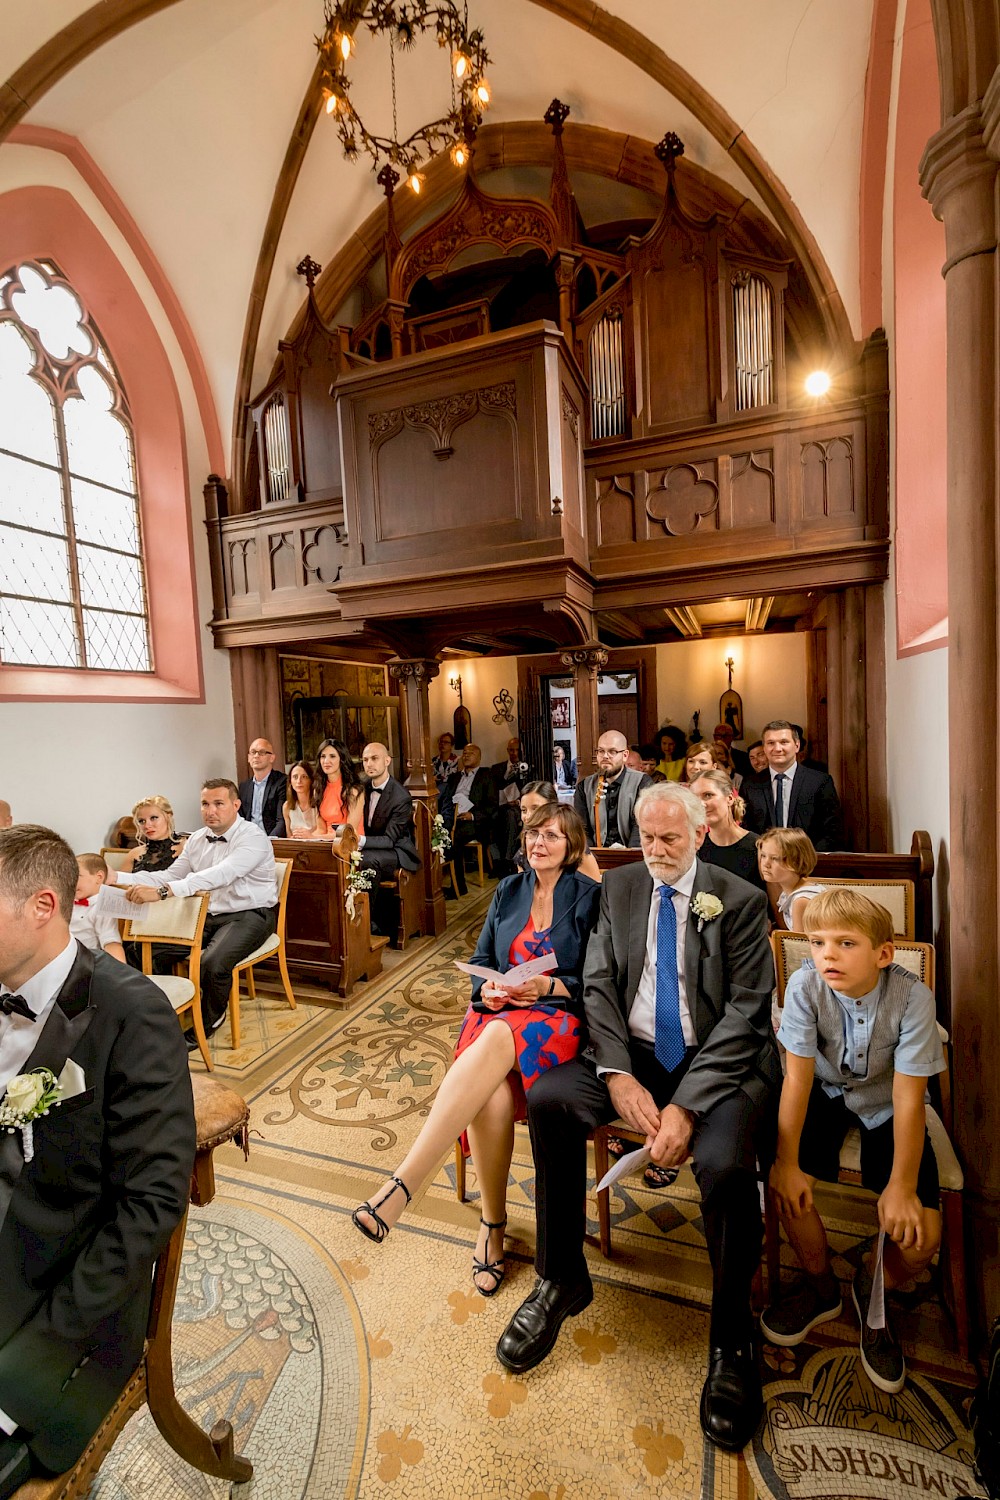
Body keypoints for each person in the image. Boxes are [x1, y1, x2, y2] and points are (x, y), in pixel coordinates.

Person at [496, 783, 779, 1453]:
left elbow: (745, 1015)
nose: (655, 850)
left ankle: (732, 1337)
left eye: (669, 839)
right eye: (646, 837)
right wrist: (617, 1074)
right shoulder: (620, 890)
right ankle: (560, 1276)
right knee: (551, 1100)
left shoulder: (736, 900)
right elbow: (597, 983)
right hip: (634, 1055)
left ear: (700, 835)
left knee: (724, 1164)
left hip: (720, 1064)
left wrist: (686, 1105)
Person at [0, 824, 194, 1492]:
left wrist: (39, 1350)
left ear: (44, 908)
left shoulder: (129, 1013)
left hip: (58, 1294)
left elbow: (150, 1205)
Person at [351, 803, 601, 1297]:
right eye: (532, 834)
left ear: (571, 847)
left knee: (499, 1037)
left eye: (550, 836)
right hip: (498, 1013)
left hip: (555, 1018)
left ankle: (403, 1184)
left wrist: (547, 988)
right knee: (492, 1096)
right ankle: (493, 1224)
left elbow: (595, 978)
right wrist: (486, 990)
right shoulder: (509, 890)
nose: (538, 843)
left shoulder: (590, 898)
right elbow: (483, 960)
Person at [761, 889, 945, 1394]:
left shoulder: (912, 997)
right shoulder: (803, 986)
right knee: (785, 1186)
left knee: (923, 1238)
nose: (827, 955)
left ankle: (872, 1284)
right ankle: (820, 1285)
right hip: (821, 1090)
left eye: (845, 943)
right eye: (817, 943)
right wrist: (786, 1161)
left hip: (887, 1101)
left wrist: (903, 1185)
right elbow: (796, 1080)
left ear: (883, 954)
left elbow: (910, 1099)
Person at [111, 779, 278, 1046]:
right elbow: (170, 874)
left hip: (250, 914)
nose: (210, 810)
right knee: (141, 949)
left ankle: (210, 1019)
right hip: (206, 914)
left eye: (218, 804)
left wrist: (164, 892)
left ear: (236, 805)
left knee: (211, 962)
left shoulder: (253, 837)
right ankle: (160, 1016)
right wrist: (115, 875)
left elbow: (222, 874)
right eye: (205, 804)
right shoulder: (198, 839)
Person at [741, 721, 845, 851]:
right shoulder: (750, 784)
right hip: (763, 861)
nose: (777, 748)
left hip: (808, 861)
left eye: (784, 742)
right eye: (771, 743)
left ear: (797, 745)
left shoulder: (820, 781)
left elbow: (833, 828)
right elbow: (745, 828)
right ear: (764, 747)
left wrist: (807, 857)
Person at [358, 744, 420, 935]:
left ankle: (366, 921)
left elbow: (389, 839)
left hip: (397, 850)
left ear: (387, 761)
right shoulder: (362, 787)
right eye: (365, 759)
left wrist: (359, 841)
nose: (369, 764)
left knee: (366, 859)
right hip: (371, 846)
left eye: (374, 758)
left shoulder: (401, 796)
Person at [574, 731, 651, 848]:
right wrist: (591, 857)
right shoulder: (584, 787)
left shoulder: (642, 783)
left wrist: (629, 857)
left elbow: (641, 825)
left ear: (625, 755)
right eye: (601, 751)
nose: (605, 756)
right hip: (596, 858)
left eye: (612, 751)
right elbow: (582, 828)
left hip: (631, 857)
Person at [690, 771, 765, 891]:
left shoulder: (760, 847)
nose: (701, 804)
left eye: (708, 795)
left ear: (729, 798)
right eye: (695, 799)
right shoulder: (696, 848)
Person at [439, 744, 495, 898]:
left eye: (471, 753)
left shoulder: (486, 775)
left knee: (453, 837)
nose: (466, 755)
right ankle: (434, 884)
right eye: (464, 753)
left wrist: (472, 815)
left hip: (473, 822)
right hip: (451, 817)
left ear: (479, 757)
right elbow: (445, 799)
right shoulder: (454, 777)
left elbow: (492, 806)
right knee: (436, 835)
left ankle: (459, 887)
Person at [515, 784, 601, 882]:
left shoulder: (576, 850)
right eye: (524, 810)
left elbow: (595, 889)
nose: (529, 816)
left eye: (536, 808)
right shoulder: (523, 854)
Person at [756, 827, 823, 929]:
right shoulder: (788, 893)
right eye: (763, 856)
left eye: (774, 858)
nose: (765, 864)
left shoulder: (801, 901)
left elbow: (797, 944)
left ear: (796, 861)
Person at [490, 737, 535, 874]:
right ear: (507, 751)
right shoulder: (497, 768)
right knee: (490, 819)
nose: (514, 753)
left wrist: (520, 801)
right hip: (499, 806)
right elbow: (492, 790)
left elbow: (532, 789)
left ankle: (508, 860)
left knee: (510, 816)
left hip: (517, 807)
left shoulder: (527, 768)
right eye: (511, 750)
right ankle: (496, 860)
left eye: (517, 750)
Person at [71, 854, 126, 962]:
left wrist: (121, 972)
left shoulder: (103, 908)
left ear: (99, 877)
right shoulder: (66, 902)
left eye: (77, 876)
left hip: (84, 962)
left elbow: (111, 942)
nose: (71, 881)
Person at [115, 796, 187, 874]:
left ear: (168, 816)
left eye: (153, 818)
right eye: (142, 821)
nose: (147, 826)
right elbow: (119, 883)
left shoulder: (187, 847)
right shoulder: (134, 854)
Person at [312, 739, 364, 837]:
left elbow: (349, 833)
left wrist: (313, 837)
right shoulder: (318, 790)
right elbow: (321, 830)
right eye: (323, 756)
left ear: (342, 759)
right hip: (326, 844)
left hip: (347, 845)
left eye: (332, 756)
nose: (326, 761)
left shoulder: (353, 790)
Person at [237, 737, 287, 838]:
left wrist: (269, 842)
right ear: (248, 758)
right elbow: (240, 819)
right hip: (248, 840)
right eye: (253, 752)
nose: (256, 756)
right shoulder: (244, 787)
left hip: (272, 839)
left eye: (262, 752)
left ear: (272, 758)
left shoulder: (282, 782)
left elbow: (282, 821)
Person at [283, 760, 327, 838]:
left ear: (311, 780)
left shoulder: (318, 803)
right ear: (290, 781)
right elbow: (289, 835)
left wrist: (309, 836)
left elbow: (322, 830)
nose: (299, 781)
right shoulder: (287, 806)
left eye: (304, 777)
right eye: (295, 777)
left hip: (316, 846)